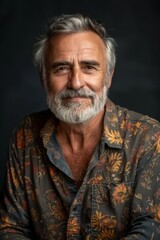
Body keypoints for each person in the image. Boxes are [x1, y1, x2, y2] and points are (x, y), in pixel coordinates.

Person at [0, 13, 160, 240]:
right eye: (61, 68)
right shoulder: (25, 135)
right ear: (44, 79)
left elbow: (152, 228)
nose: (76, 82)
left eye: (89, 67)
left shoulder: (148, 138)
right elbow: (11, 228)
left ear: (109, 77)